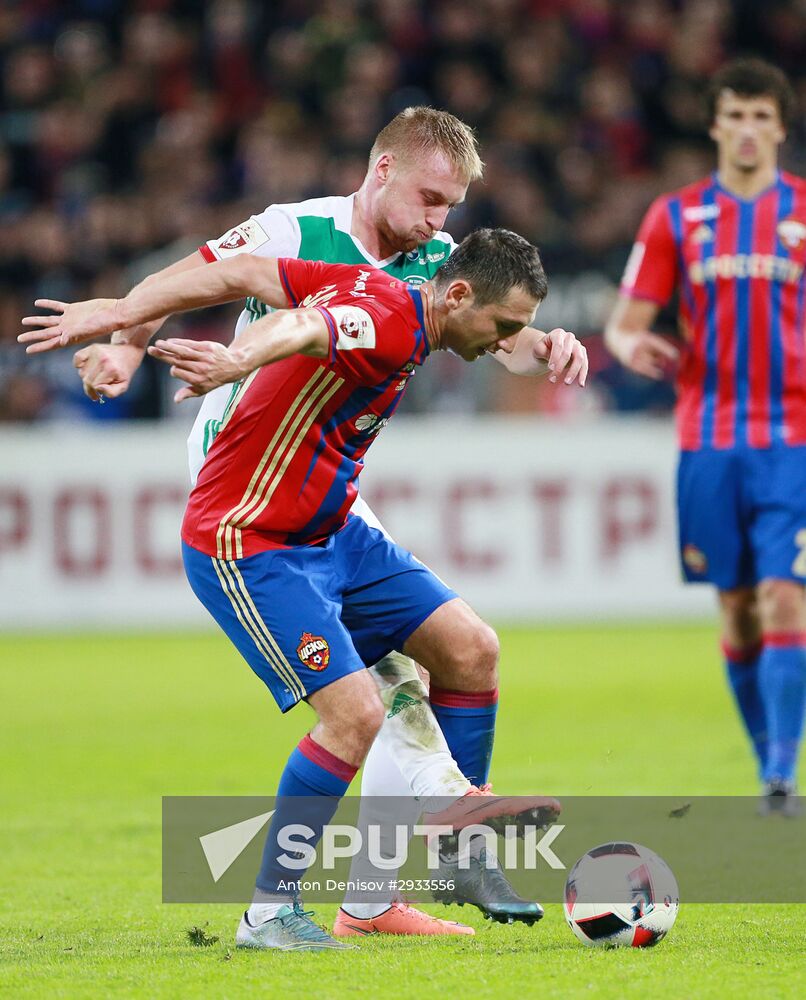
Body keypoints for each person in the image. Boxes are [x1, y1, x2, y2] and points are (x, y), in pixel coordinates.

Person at [34, 108, 587, 930]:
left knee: (462, 648)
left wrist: (540, 345)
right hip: (246, 487)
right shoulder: (296, 230)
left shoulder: (433, 266)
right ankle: (424, 838)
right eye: (431, 198)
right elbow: (224, 277)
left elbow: (480, 321)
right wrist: (122, 332)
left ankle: (391, 887)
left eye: (452, 208)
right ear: (384, 170)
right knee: (378, 689)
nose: (440, 222)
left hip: (328, 490)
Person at [605, 59, 805, 814]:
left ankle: (782, 772)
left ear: (780, 127)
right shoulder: (676, 217)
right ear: (715, 125)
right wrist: (635, 349)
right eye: (736, 116)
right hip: (708, 438)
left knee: (787, 597)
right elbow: (625, 327)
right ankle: (768, 765)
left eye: (763, 116)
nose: (749, 130)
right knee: (738, 607)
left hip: (793, 437)